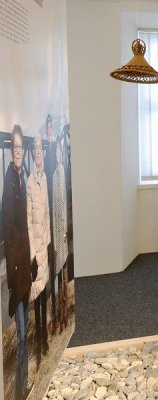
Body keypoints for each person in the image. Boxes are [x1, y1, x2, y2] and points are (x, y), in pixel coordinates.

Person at [2, 125, 32, 400]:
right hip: (16, 267)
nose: (18, 151)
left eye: (21, 146)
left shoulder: (24, 176)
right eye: (15, 147)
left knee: (25, 329)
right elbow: (8, 227)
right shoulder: (10, 179)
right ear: (11, 151)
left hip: (25, 267)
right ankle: (21, 389)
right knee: (21, 333)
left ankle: (24, 381)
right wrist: (12, 268)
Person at [27, 133, 51, 366]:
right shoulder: (30, 182)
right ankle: (38, 342)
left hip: (45, 243)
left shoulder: (43, 178)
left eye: (39, 149)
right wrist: (32, 253)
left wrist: (49, 241)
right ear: (32, 153)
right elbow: (27, 220)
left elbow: (47, 213)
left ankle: (44, 339)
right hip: (36, 249)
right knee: (37, 291)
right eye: (34, 150)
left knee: (44, 293)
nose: (37, 153)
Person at [43, 114, 58, 334]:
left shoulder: (54, 154)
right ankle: (50, 311)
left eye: (51, 128)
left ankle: (54, 311)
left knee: (54, 267)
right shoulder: (47, 156)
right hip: (46, 217)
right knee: (48, 267)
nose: (49, 131)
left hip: (54, 215)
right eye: (47, 129)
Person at [52, 138, 69, 331]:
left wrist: (64, 231)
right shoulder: (53, 175)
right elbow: (53, 207)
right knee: (58, 272)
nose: (57, 153)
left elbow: (63, 203)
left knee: (64, 273)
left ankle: (65, 314)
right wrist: (56, 240)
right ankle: (59, 315)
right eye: (55, 150)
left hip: (62, 231)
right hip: (57, 232)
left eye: (59, 150)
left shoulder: (62, 171)